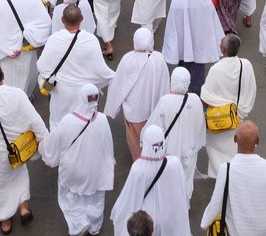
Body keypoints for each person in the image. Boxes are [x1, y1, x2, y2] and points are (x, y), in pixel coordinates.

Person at [39, 83, 115, 236]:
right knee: (95, 198)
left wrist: (42, 146)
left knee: (71, 198)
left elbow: (54, 143)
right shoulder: (102, 119)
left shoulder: (69, 120)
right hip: (95, 169)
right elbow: (108, 145)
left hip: (74, 169)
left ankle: (79, 223)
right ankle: (94, 226)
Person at [37, 4, 114, 129]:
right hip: (82, 92)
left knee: (59, 123)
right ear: (82, 18)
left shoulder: (54, 39)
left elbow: (42, 66)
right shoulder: (91, 40)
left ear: (62, 20)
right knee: (82, 125)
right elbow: (101, 70)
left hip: (60, 92)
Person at [201, 120, 266, 236]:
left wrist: (205, 223)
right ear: (258, 141)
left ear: (235, 139)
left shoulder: (226, 169)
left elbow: (216, 204)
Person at [111, 124, 191, 236]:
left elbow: (130, 197)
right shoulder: (175, 163)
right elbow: (182, 190)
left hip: (148, 220)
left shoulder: (138, 168)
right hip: (171, 215)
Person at [105, 28, 170, 161]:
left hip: (135, 110)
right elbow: (165, 83)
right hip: (155, 107)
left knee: (135, 140)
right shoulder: (159, 58)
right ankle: (156, 159)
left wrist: (113, 106)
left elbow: (119, 84)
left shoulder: (128, 59)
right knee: (155, 136)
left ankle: (140, 163)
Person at [144, 66, 206, 202]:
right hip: (189, 149)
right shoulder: (195, 99)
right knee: (186, 179)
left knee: (169, 181)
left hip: (169, 151)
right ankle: (185, 204)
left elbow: (155, 126)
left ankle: (171, 207)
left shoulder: (165, 101)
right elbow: (200, 124)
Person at [0, 65, 48, 235]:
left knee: (2, 186)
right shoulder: (17, 94)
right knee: (20, 174)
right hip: (18, 149)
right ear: (2, 76)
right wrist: (45, 141)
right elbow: (35, 120)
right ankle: (24, 209)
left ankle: (5, 221)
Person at [201, 33, 257, 179]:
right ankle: (235, 176)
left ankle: (221, 179)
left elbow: (205, 98)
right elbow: (251, 89)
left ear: (223, 50)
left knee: (217, 152)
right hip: (237, 117)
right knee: (235, 149)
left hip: (219, 120)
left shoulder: (216, 69)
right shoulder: (246, 65)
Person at [162, 0, 224, 95]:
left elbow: (173, 23)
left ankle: (182, 92)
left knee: (183, 67)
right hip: (200, 40)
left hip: (182, 43)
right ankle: (197, 94)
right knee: (198, 67)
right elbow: (210, 14)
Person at [0, 0, 51, 97]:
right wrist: (34, 37)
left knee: (9, 83)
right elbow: (45, 23)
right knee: (28, 78)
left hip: (6, 53)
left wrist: (5, 49)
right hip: (27, 49)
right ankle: (26, 98)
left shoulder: (1, 1)